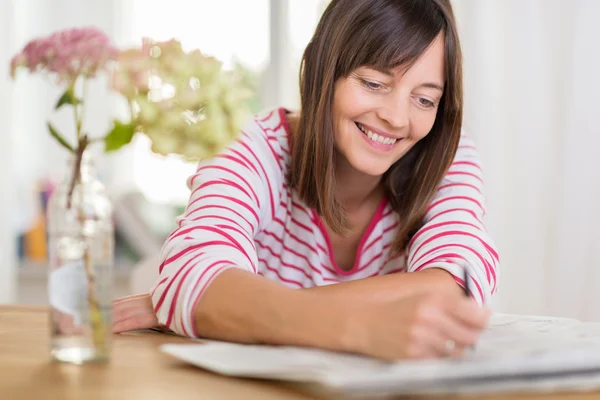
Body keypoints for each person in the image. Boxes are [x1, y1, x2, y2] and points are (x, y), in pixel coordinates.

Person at [113, 0, 499, 360]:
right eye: (374, 84)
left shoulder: (445, 154)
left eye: (424, 99)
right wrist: (360, 325)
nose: (398, 118)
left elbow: (455, 289)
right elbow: (193, 274)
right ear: (320, 69)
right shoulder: (249, 145)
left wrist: (226, 305)